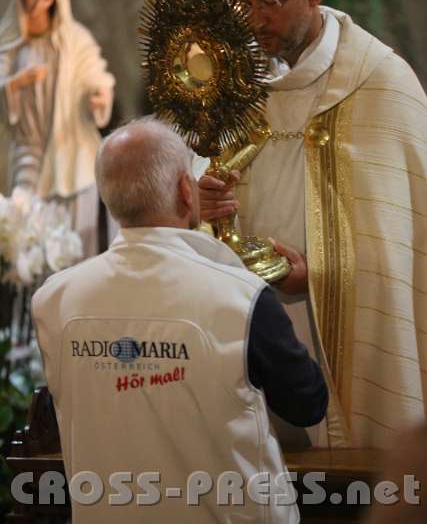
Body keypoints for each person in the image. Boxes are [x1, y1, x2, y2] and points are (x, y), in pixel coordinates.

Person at [199, 0, 427, 449]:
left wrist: (320, 274)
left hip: (343, 331)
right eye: (244, 4)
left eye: (270, 2)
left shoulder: (381, 83)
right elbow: (202, 195)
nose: (254, 21)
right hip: (256, 326)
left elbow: (404, 242)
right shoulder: (238, 86)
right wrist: (207, 200)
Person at [32, 117, 328, 523]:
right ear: (187, 192)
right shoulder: (240, 296)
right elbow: (307, 404)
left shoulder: (54, 299)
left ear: (109, 198)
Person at [0, 0, 115, 256]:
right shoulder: (10, 41)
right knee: (23, 243)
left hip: (71, 158)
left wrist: (100, 95)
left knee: (74, 248)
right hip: (27, 153)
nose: (38, 4)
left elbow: (97, 75)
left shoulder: (75, 39)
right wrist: (18, 82)